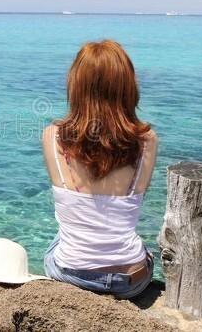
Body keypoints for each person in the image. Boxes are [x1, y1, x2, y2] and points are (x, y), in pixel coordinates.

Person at [42, 40, 158, 299]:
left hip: (72, 275)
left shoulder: (53, 136)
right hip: (129, 281)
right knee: (141, 249)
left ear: (76, 86)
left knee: (59, 240)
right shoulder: (147, 141)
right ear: (127, 87)